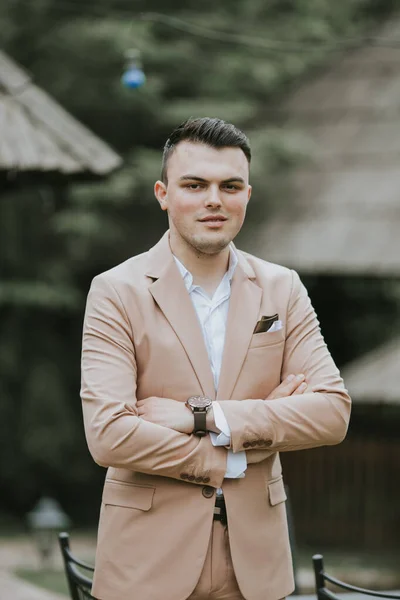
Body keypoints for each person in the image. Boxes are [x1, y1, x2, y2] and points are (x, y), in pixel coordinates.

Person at [80, 117, 351, 600]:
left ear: (248, 194)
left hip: (256, 571)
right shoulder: (115, 291)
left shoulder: (281, 288)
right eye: (195, 185)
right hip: (145, 567)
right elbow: (109, 435)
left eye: (230, 186)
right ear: (163, 193)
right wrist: (234, 455)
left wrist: (201, 416)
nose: (214, 199)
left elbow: (331, 412)